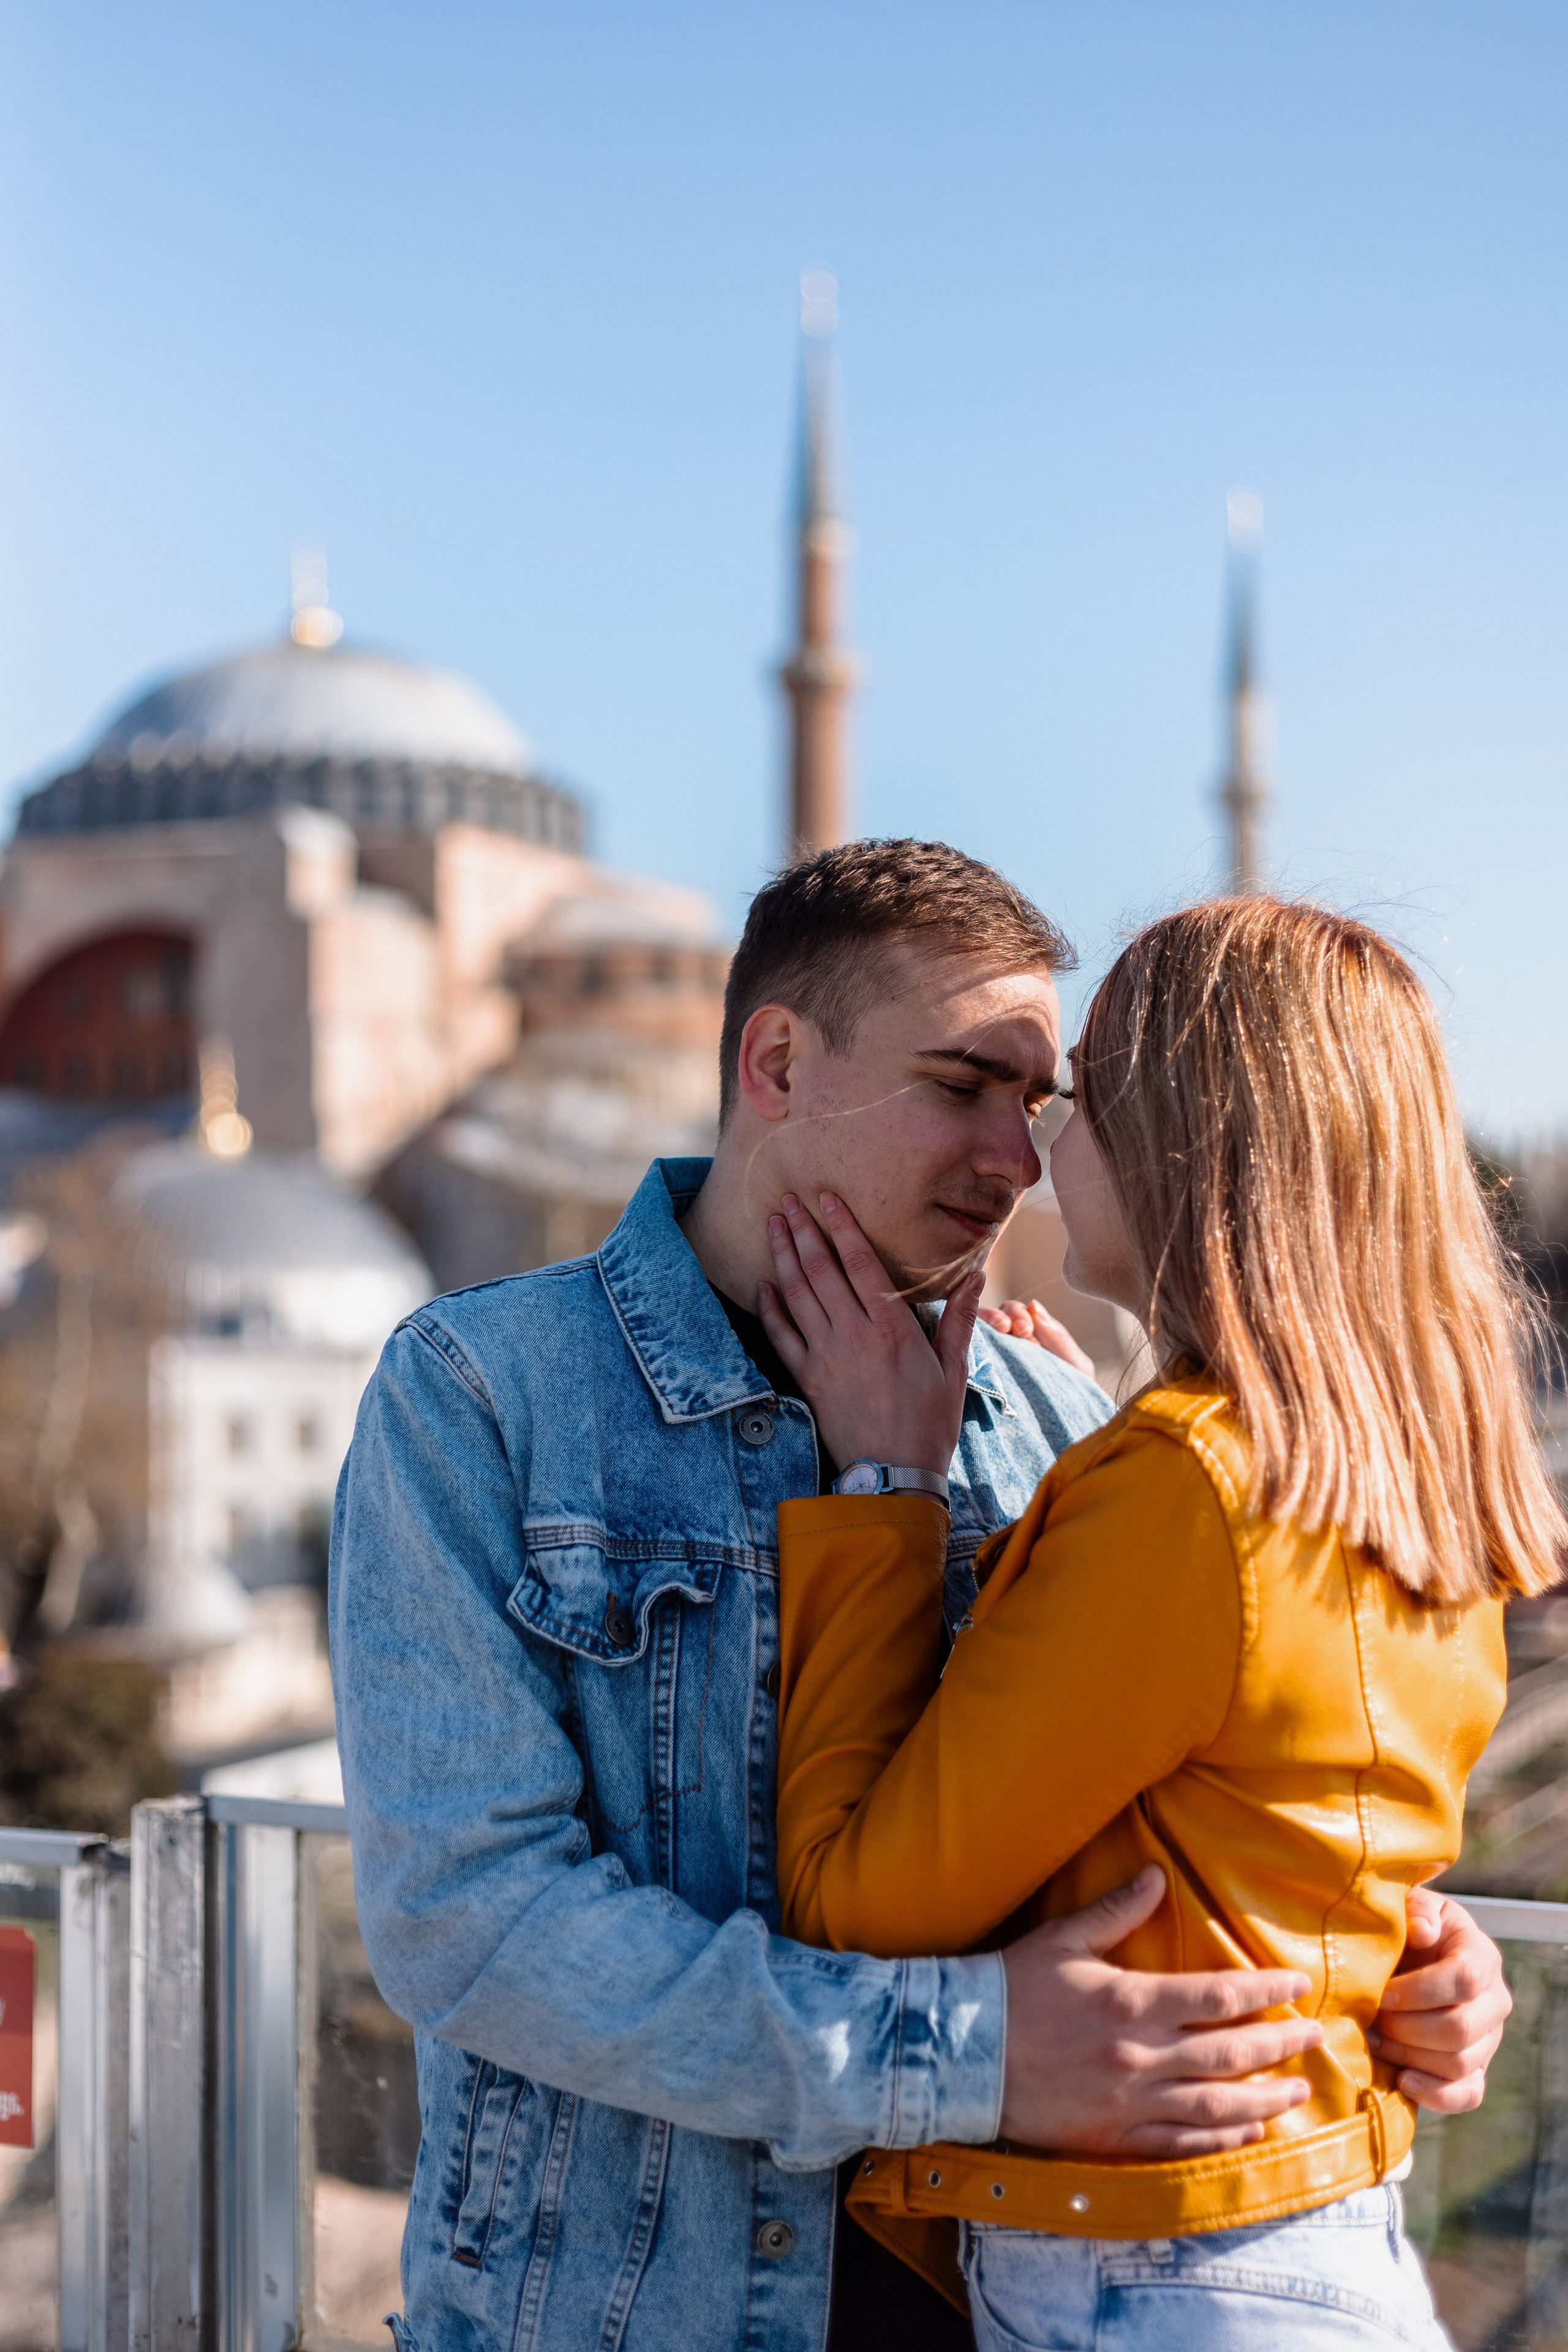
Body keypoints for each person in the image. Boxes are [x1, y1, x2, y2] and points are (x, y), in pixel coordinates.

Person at [331, 845, 1510, 2352]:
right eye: (964, 1087)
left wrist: (1383, 1951)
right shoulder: (486, 1396)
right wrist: (965, 2059)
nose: (1016, 1160)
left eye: (1036, 1104)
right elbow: (469, 1921)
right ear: (773, 1062)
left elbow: (1179, 1801)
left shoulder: (1050, 1414)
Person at [762, 895, 1562, 2349]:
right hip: (1314, 2238)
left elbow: (851, 1904)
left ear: (1185, 1143)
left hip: (1166, 2283)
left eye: (1078, 1100)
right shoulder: (1392, 1478)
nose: (1036, 1153)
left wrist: (883, 1485)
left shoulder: (1183, 1492)